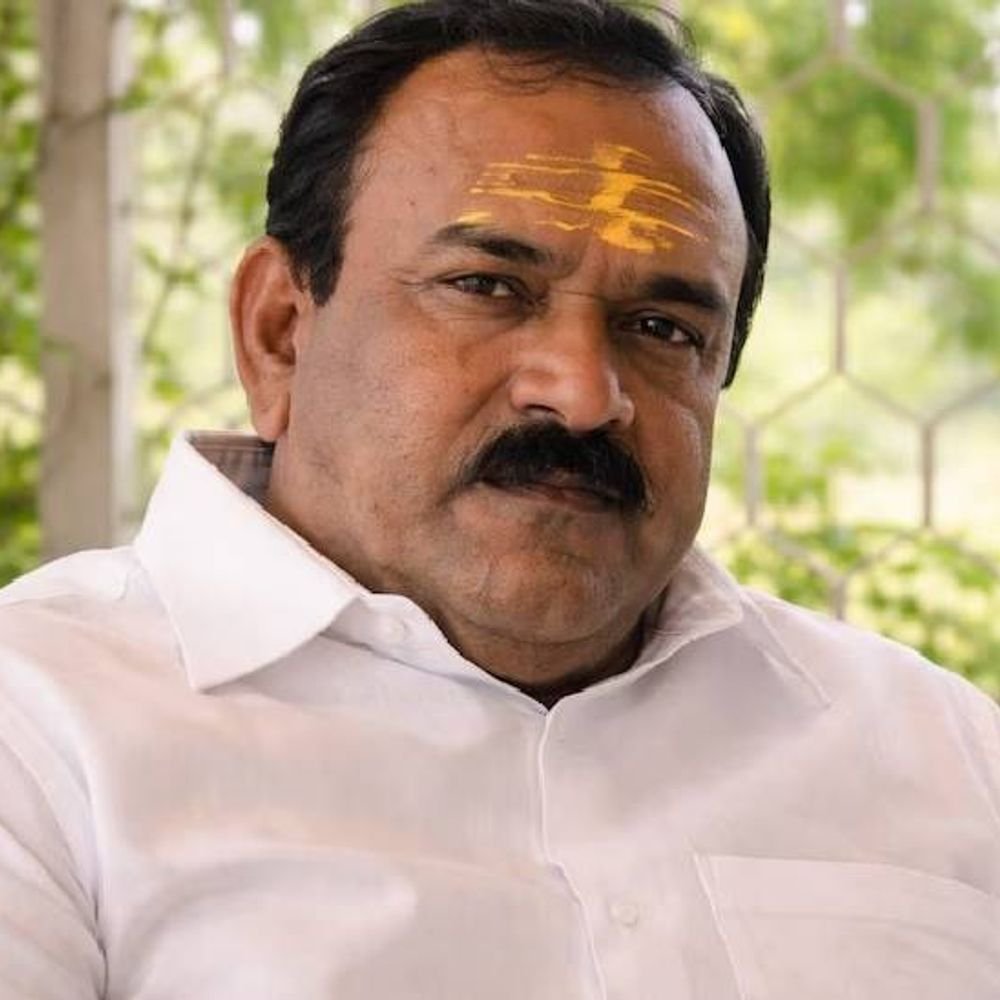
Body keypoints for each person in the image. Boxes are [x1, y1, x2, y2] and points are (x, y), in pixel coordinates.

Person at [2, 1, 997, 997]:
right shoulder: (39, 728)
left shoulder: (941, 754)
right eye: (486, 286)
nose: (582, 393)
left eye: (662, 328)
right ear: (279, 331)